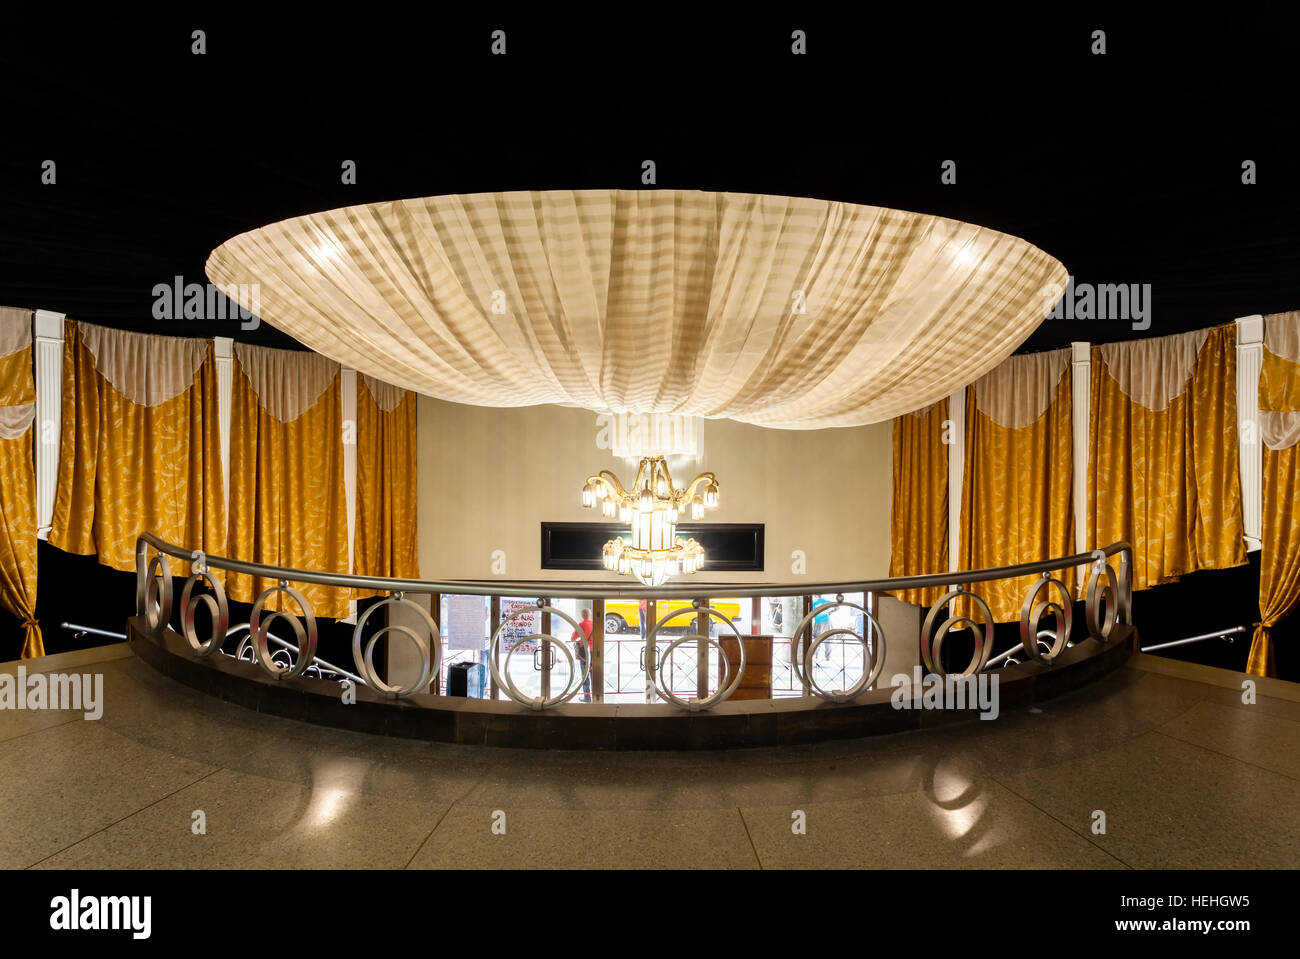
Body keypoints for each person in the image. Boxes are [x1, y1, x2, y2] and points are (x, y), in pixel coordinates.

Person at [571, 608, 594, 701]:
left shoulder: (581, 625)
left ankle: (587, 697)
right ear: (590, 614)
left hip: (584, 652)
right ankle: (597, 695)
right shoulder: (595, 624)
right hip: (595, 651)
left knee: (585, 675)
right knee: (594, 674)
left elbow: (573, 638)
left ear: (582, 615)